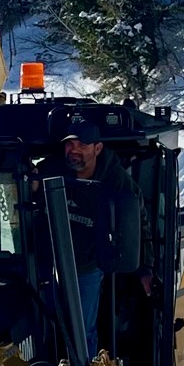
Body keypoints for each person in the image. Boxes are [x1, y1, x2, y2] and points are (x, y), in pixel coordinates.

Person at [60, 118, 143, 353]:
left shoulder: (117, 182)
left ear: (97, 148)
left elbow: (139, 224)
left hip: (88, 265)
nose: (74, 150)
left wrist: (145, 268)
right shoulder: (55, 169)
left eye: (82, 144)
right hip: (52, 264)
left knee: (81, 330)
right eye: (70, 144)